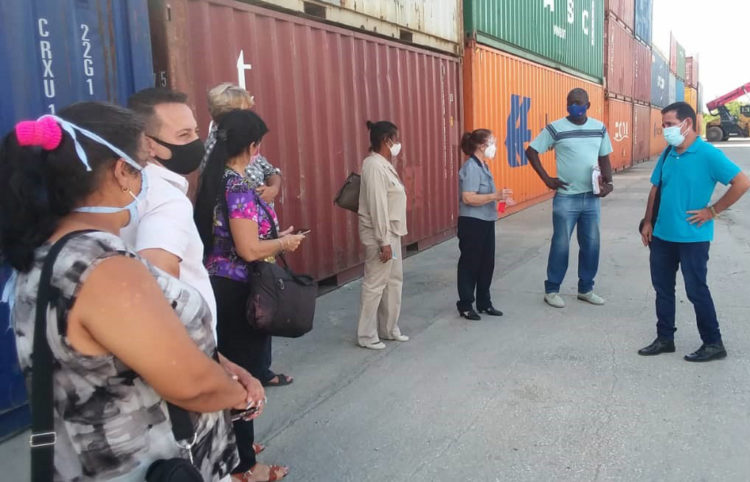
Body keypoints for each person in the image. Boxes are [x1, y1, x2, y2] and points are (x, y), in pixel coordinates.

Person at [2, 102, 252, 481]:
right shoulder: (102, 267)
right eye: (142, 166)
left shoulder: (47, 252)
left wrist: (218, 363)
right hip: (153, 466)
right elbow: (192, 385)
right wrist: (241, 394)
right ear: (122, 172)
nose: (146, 178)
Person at [126, 87, 272, 463]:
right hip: (185, 361)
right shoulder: (165, 200)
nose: (197, 142)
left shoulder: (140, 191)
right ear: (149, 143)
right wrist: (212, 368)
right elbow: (158, 291)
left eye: (196, 131)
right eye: (184, 135)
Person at [195, 109, 305, 481]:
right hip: (240, 291)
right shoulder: (238, 186)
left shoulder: (215, 180)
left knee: (233, 370)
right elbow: (248, 248)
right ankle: (245, 467)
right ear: (253, 147)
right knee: (244, 376)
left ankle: (237, 444)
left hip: (219, 285)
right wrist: (284, 242)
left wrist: (273, 237)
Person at [638, 102, 750, 362]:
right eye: (663, 125)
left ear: (687, 123)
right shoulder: (668, 153)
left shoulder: (708, 154)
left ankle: (713, 343)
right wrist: (648, 222)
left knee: (696, 290)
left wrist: (713, 211)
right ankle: (665, 338)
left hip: (693, 238)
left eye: (669, 124)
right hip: (662, 236)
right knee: (663, 289)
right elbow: (656, 188)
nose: (665, 129)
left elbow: (742, 182)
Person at [525, 88, 614, 308]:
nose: (574, 106)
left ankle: (586, 289)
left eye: (578, 103)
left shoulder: (599, 128)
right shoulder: (556, 128)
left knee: (591, 245)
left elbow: (604, 157)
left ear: (588, 105)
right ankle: (552, 289)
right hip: (566, 198)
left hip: (591, 198)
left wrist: (609, 183)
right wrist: (547, 179)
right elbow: (531, 151)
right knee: (561, 244)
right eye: (570, 103)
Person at [356, 120, 409, 350]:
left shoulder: (384, 164)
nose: (398, 144)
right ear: (386, 140)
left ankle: (389, 328)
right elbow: (377, 206)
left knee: (393, 281)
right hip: (381, 235)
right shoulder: (373, 166)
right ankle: (367, 335)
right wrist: (383, 241)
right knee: (375, 285)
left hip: (392, 232)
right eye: (395, 139)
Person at [456, 129, 510, 320]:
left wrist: (501, 199)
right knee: (470, 263)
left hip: (486, 220)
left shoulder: (483, 166)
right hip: (472, 222)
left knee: (487, 263)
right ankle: (465, 304)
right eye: (492, 142)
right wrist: (495, 196)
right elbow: (468, 197)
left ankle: (484, 302)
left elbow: (486, 195)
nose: (494, 147)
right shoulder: (471, 167)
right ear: (481, 146)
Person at [203, 83, 282, 205]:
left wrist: (273, 189)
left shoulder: (244, 139)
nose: (249, 117)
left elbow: (270, 171)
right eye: (245, 112)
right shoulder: (217, 146)